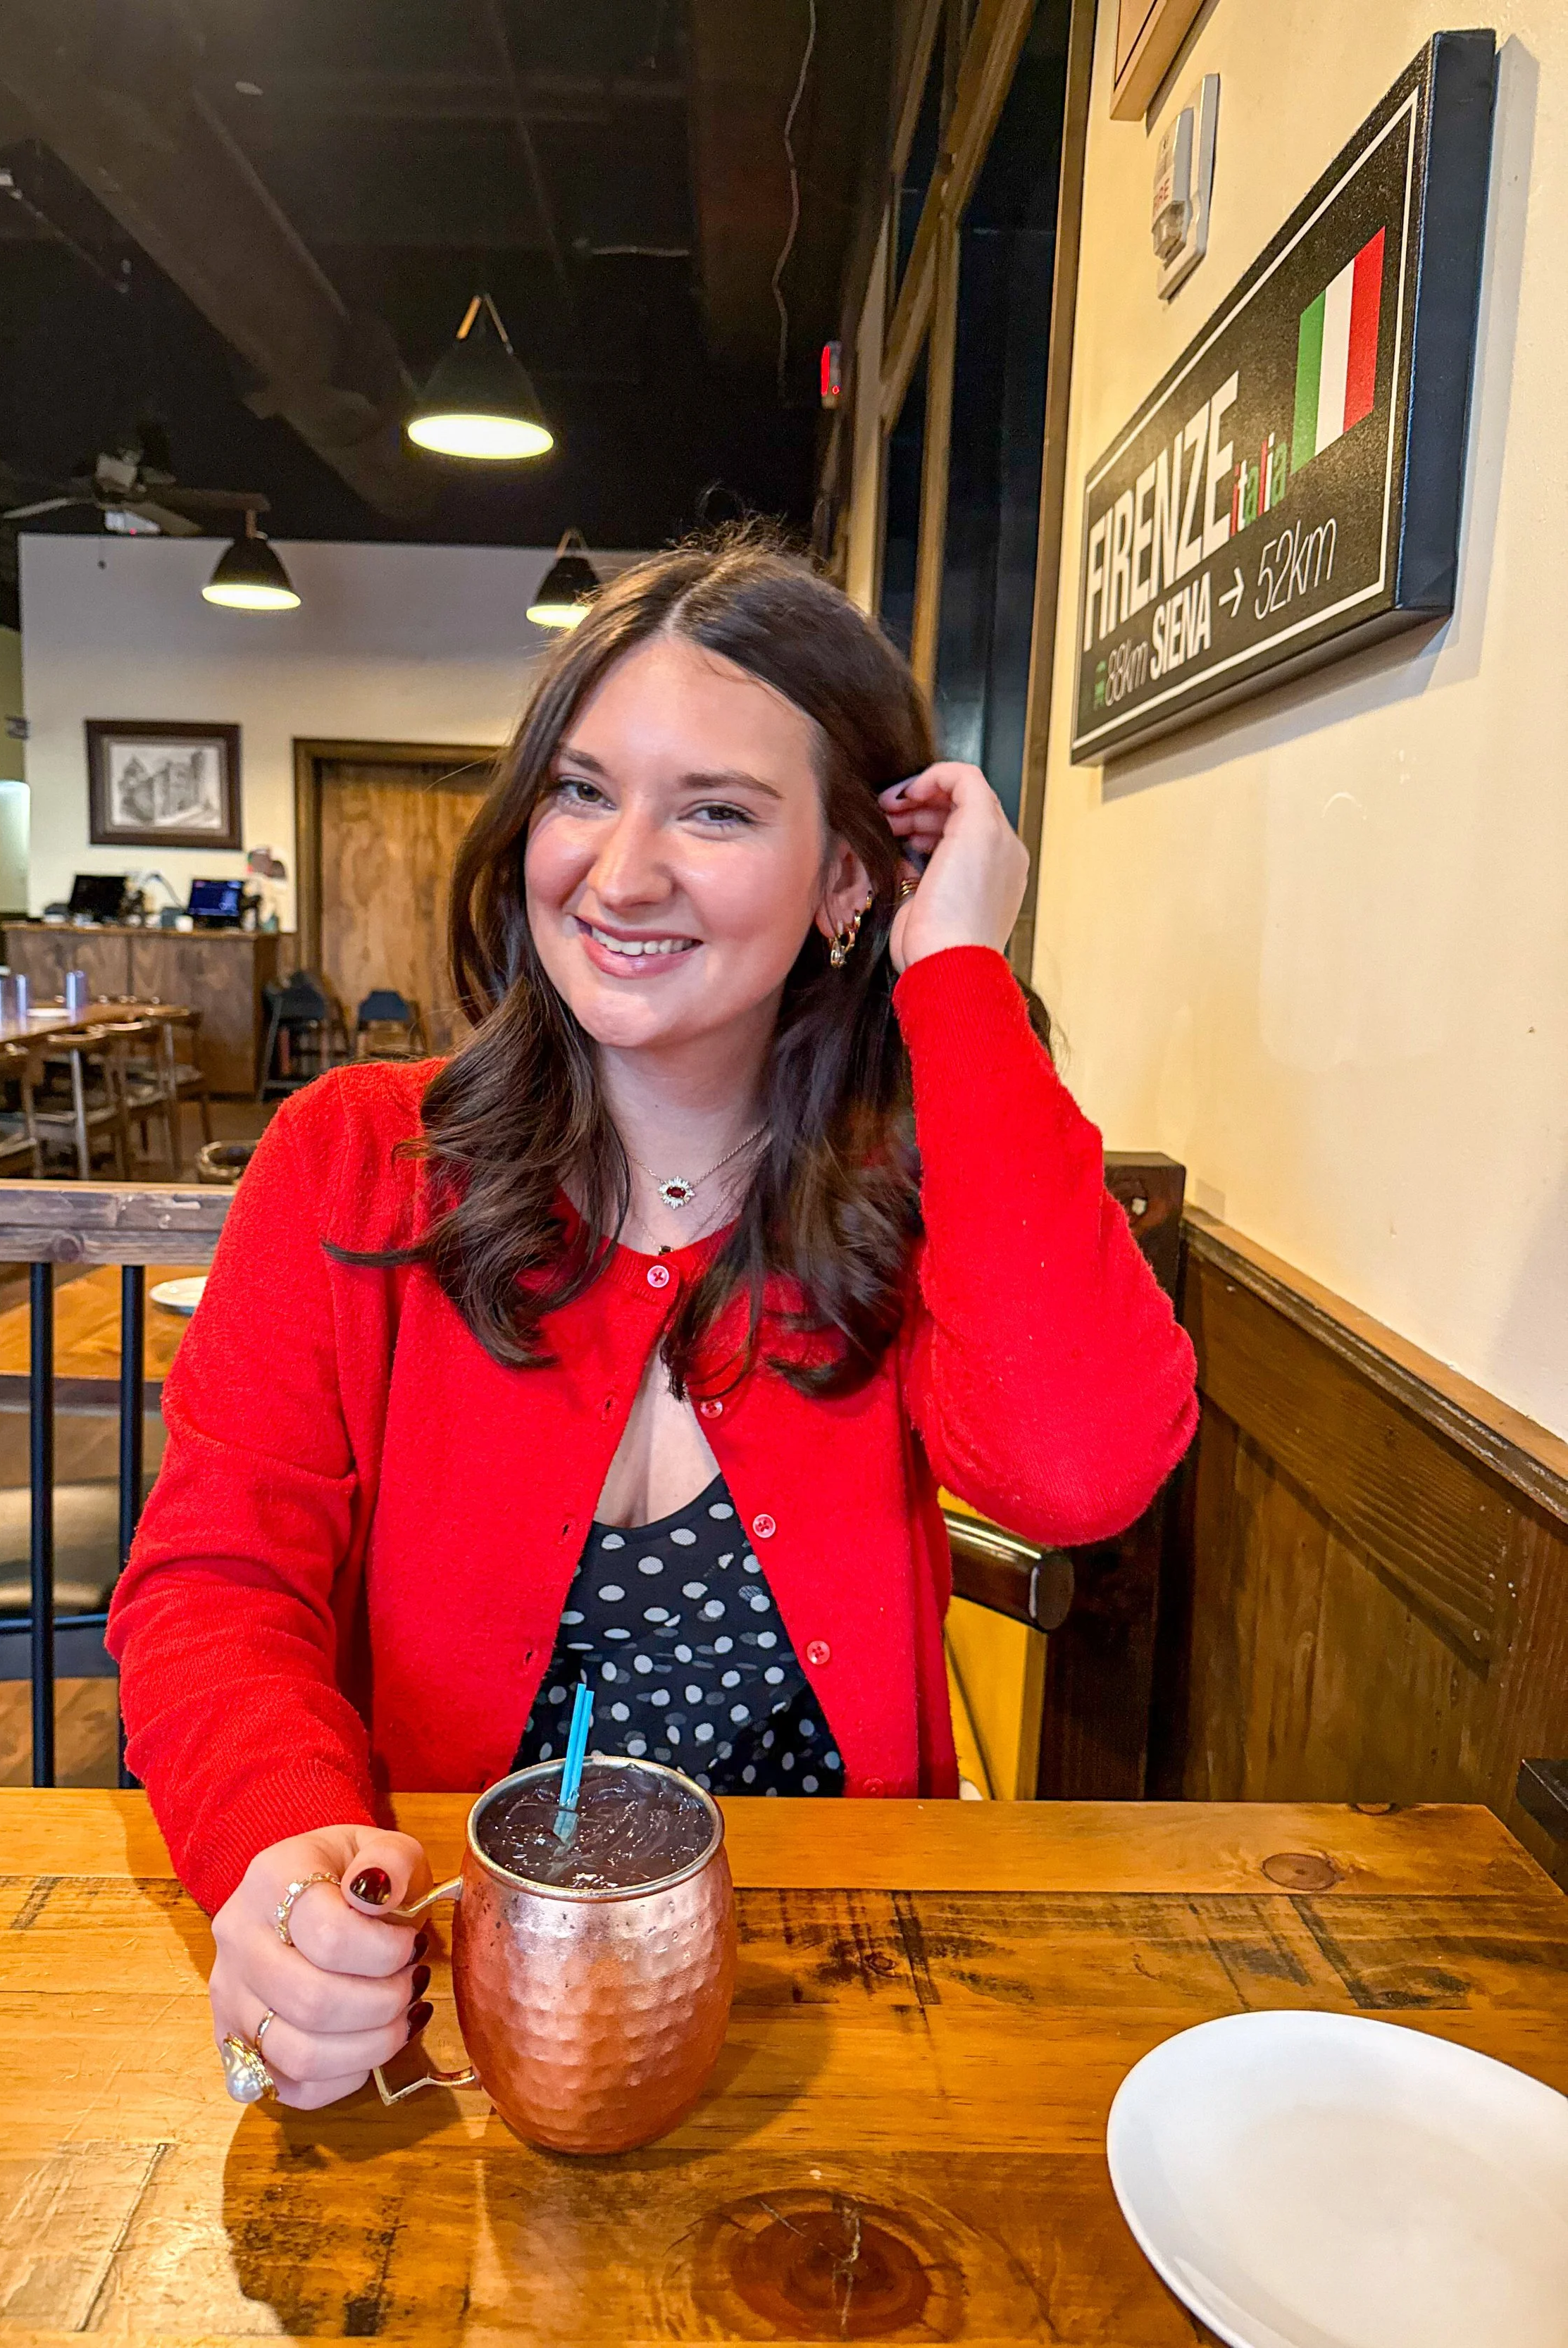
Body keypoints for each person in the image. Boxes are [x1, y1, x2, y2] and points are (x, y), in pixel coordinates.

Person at [108, 534, 1198, 2111]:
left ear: (844, 876)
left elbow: (1078, 1468)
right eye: (578, 789)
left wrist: (951, 965)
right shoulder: (356, 1156)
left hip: (835, 1998)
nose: (619, 872)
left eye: (715, 810)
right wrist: (282, 1853)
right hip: (447, 2012)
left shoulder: (904, 1185)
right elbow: (216, 1581)